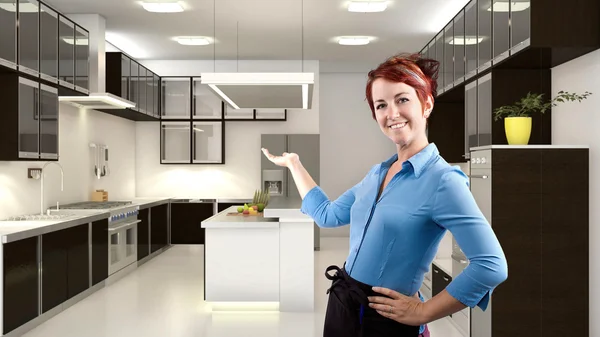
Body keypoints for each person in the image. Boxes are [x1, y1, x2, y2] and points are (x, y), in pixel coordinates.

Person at [261, 52, 508, 337]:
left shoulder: (443, 181)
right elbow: (327, 215)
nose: (392, 113)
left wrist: (423, 312)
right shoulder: (377, 174)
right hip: (343, 303)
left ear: (426, 104)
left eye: (402, 99)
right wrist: (294, 163)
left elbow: (491, 266)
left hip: (384, 321)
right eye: (381, 105)